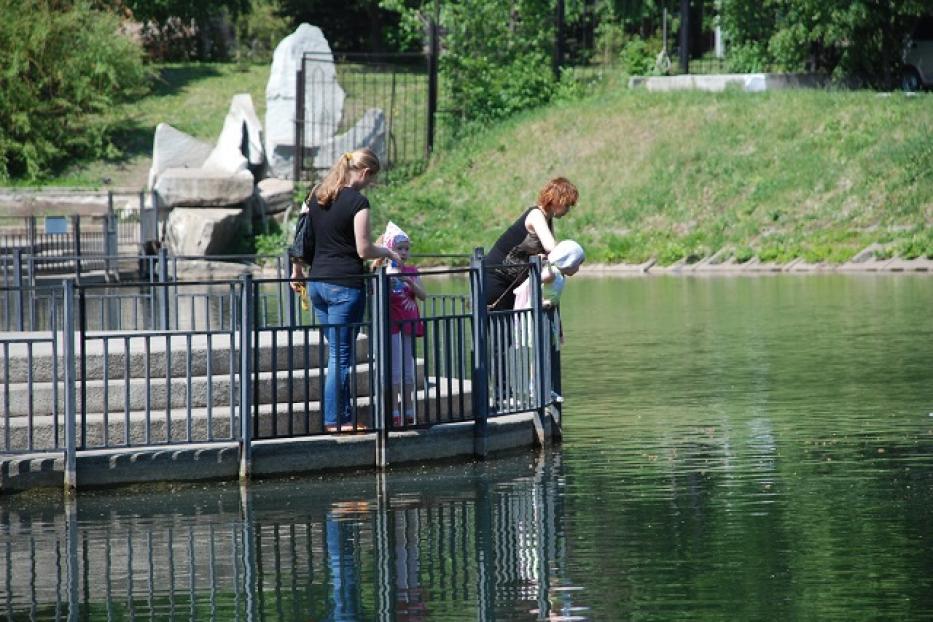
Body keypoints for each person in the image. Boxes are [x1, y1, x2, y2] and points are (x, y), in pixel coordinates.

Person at [290, 148, 400, 433]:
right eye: (371, 179)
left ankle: (345, 415)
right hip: (344, 286)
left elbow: (301, 237)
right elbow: (363, 249)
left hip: (317, 284)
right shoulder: (358, 202)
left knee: (338, 354)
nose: (370, 185)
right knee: (340, 357)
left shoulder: (317, 194)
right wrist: (388, 251)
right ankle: (334, 421)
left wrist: (297, 270)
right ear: (364, 173)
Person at [484, 177, 579, 310]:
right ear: (557, 200)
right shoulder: (536, 215)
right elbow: (552, 248)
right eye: (567, 205)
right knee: (497, 329)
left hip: (511, 282)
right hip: (495, 278)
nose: (568, 210)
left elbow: (550, 255)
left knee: (509, 328)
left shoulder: (548, 220)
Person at [373, 222, 426, 427]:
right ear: (389, 250)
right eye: (399, 249)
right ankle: (394, 410)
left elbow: (423, 295)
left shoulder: (412, 271)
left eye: (406, 248)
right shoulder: (382, 272)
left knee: (408, 369)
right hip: (391, 326)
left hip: (408, 324)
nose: (403, 253)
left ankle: (409, 408)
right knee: (395, 369)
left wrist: (409, 281)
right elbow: (375, 296)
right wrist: (389, 276)